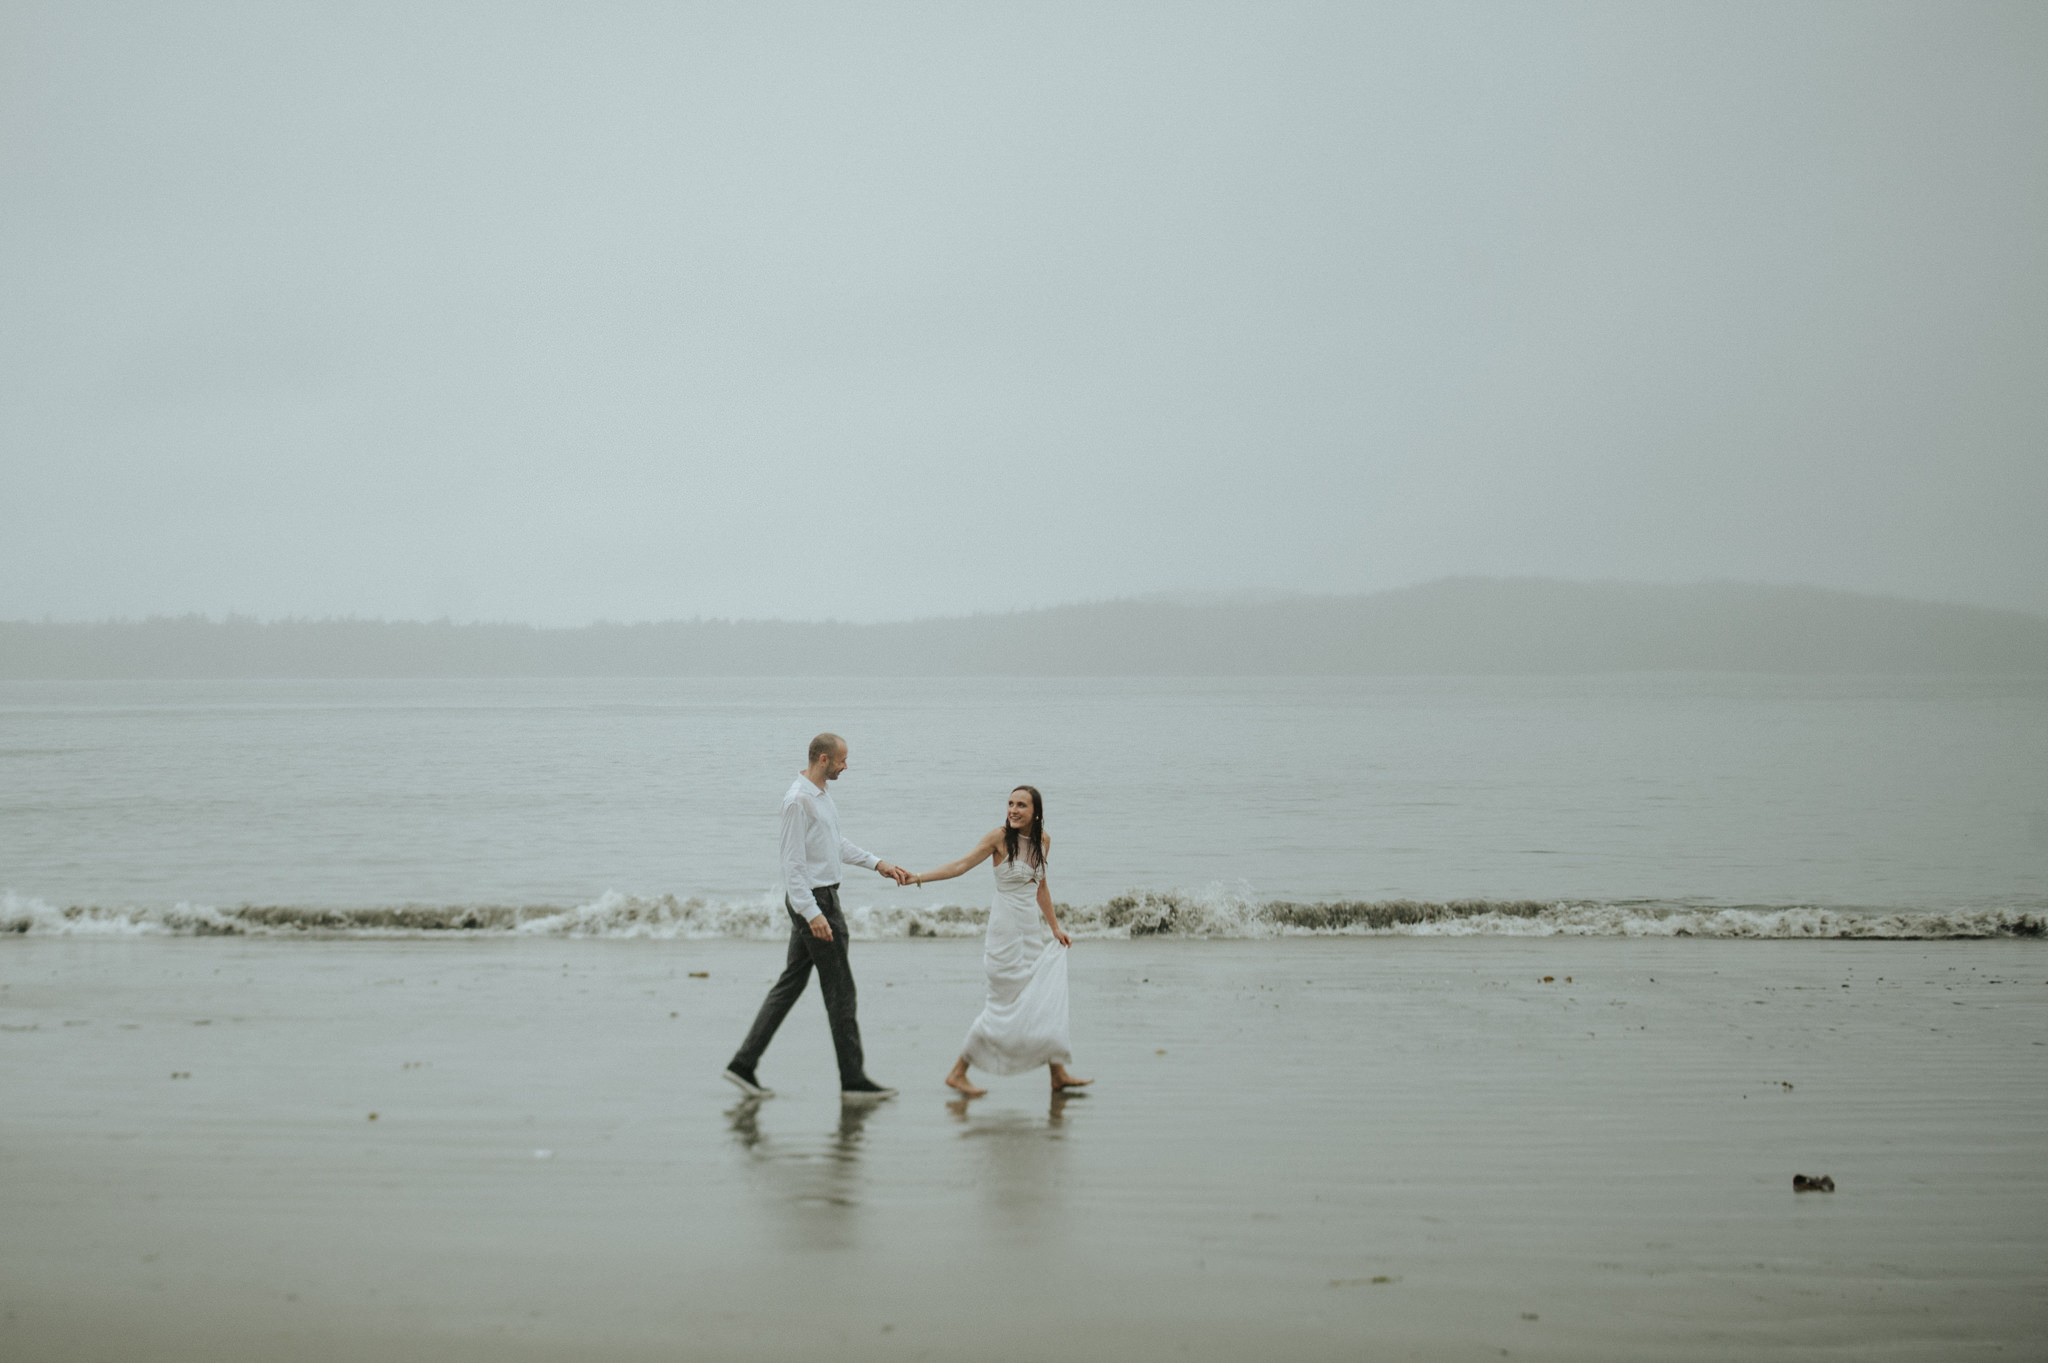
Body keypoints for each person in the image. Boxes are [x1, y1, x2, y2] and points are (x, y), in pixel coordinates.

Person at [723, 733, 910, 1102]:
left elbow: (834, 844)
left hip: (818, 898)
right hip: (815, 900)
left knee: (790, 984)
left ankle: (743, 1065)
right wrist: (812, 914)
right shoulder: (797, 801)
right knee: (841, 991)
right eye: (842, 760)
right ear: (823, 759)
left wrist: (878, 864)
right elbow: (792, 865)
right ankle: (853, 1081)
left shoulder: (821, 797)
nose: (846, 766)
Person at [908, 785, 1091, 1097]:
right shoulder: (998, 838)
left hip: (1030, 932)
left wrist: (1054, 928)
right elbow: (960, 866)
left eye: (1021, 805)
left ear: (1036, 812)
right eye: (1010, 804)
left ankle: (1057, 1073)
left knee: (1040, 998)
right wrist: (919, 877)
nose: (1013, 810)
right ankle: (958, 1072)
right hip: (1004, 934)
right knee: (1001, 1006)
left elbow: (1041, 887)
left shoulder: (1044, 841)